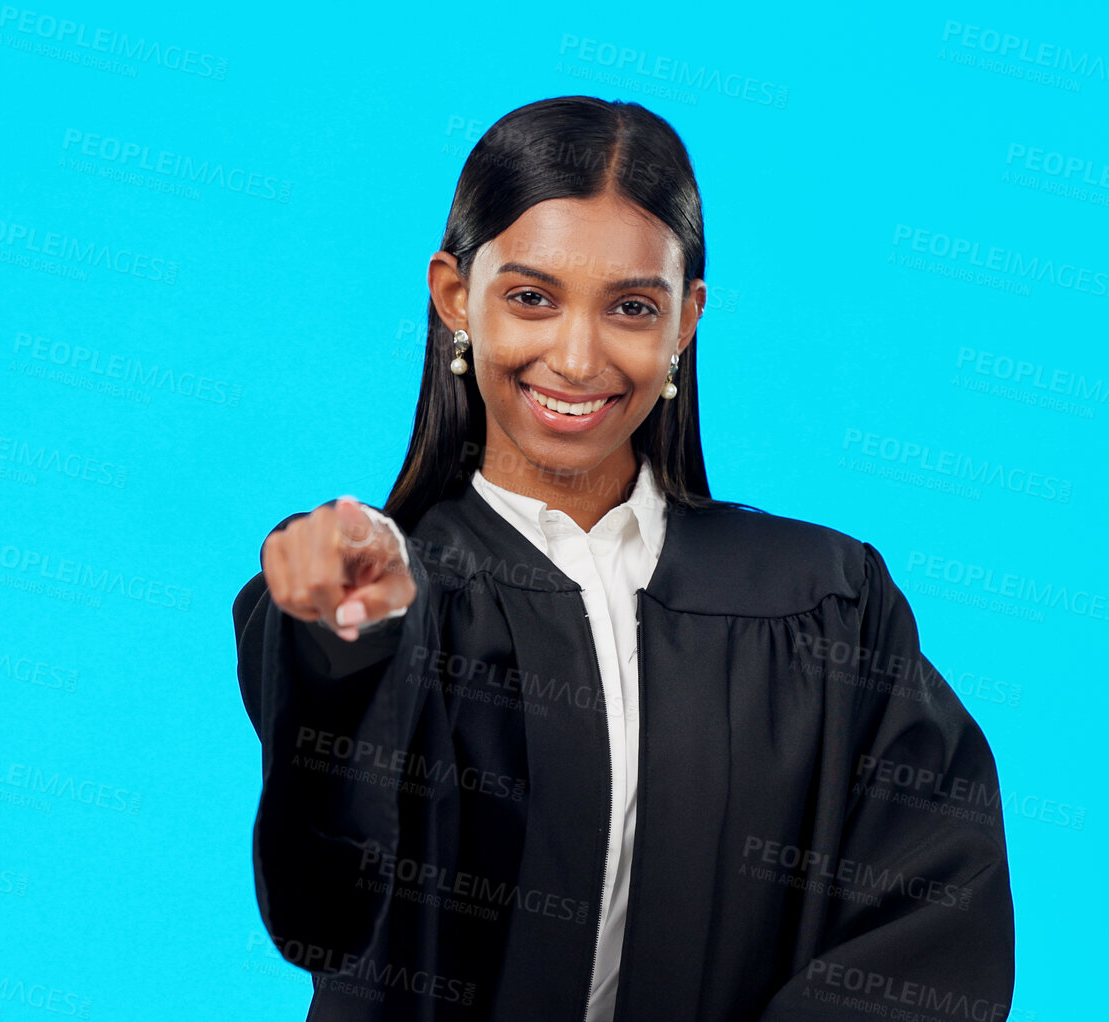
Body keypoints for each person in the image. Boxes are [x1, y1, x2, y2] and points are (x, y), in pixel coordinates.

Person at [235, 95, 1014, 1022]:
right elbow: (325, 910)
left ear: (685, 320)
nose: (574, 357)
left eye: (631, 307)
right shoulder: (400, 595)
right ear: (455, 298)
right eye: (531, 297)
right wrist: (341, 642)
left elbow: (930, 916)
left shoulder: (823, 601)